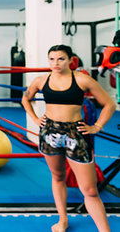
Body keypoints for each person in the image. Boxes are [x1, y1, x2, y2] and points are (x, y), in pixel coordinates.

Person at [22, 45, 116, 232]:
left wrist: (96, 126)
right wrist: (34, 119)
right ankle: (63, 220)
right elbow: (26, 98)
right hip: (49, 133)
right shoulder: (41, 80)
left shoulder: (82, 80)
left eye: (61, 59)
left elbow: (109, 104)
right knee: (58, 177)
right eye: (52, 59)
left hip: (75, 133)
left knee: (90, 190)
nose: (56, 63)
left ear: (71, 60)